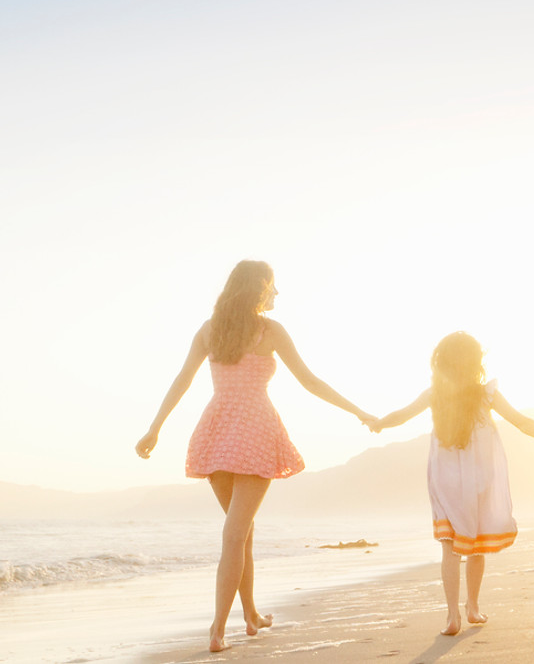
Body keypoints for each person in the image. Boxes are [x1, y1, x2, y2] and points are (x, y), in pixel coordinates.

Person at [135, 260, 375, 653]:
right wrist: (358, 411)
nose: (277, 294)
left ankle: (250, 615)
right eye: (273, 287)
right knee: (235, 533)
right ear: (259, 289)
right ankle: (217, 629)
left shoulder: (210, 330)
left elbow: (183, 379)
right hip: (255, 431)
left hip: (216, 430)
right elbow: (310, 381)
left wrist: (155, 428)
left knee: (239, 530)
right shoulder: (270, 330)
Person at [368, 331, 534, 636]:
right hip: (480, 476)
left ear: (440, 362)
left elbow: (400, 416)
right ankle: (473, 606)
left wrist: (377, 422)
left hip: (445, 479)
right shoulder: (487, 394)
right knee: (476, 546)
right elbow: (523, 423)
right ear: (476, 362)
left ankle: (452, 614)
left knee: (450, 549)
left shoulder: (434, 395)